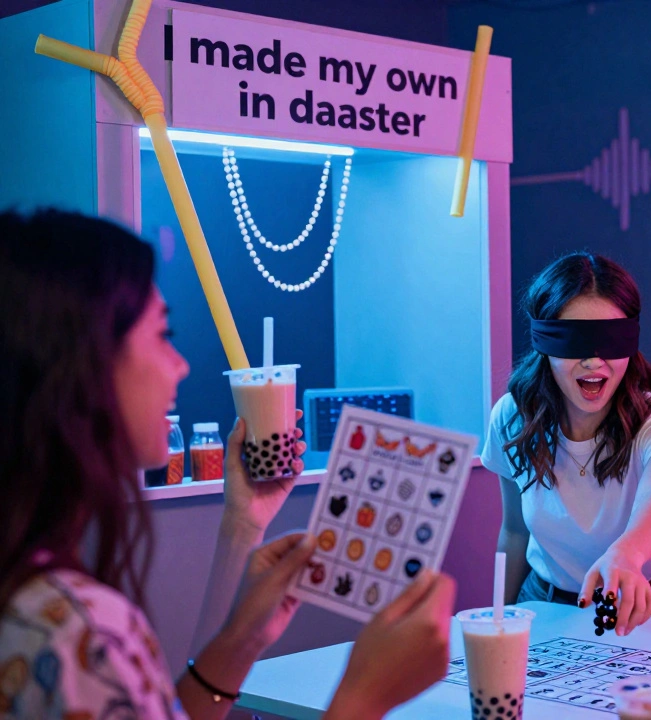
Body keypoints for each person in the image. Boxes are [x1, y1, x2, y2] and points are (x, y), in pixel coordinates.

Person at [0, 209, 454, 719]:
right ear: (82, 364)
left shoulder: (32, 595)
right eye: (161, 335)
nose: (181, 364)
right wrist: (366, 695)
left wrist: (241, 600)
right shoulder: (81, 635)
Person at [484, 252, 651, 636]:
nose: (592, 360)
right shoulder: (513, 417)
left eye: (609, 339)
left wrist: (625, 555)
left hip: (645, 609)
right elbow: (515, 530)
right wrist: (498, 618)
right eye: (575, 341)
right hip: (542, 606)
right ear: (544, 341)